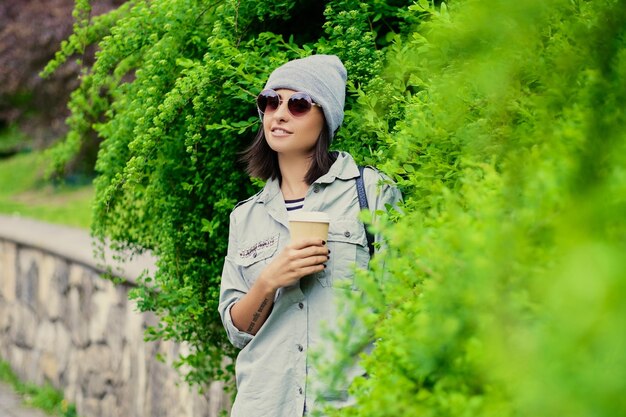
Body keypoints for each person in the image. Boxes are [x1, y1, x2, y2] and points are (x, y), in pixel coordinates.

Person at [218, 54, 402, 416]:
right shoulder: (247, 216)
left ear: (326, 116)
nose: (279, 113)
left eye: (298, 103)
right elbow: (238, 331)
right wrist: (269, 280)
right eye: (270, 101)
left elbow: (400, 305)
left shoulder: (370, 192)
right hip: (265, 405)